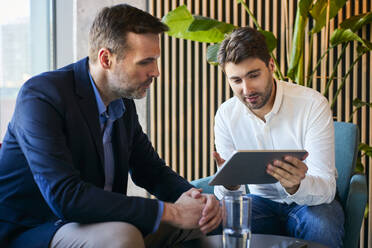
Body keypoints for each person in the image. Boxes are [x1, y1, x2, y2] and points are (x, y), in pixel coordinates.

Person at [0, 4, 221, 248]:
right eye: (145, 62)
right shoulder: (41, 96)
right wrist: (173, 212)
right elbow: (65, 196)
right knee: (122, 237)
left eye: (156, 60)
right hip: (35, 228)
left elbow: (151, 171)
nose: (156, 72)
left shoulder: (122, 103)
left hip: (98, 223)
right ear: (106, 59)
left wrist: (196, 200)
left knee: (206, 222)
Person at [213, 27, 344, 248]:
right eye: (236, 80)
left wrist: (296, 186)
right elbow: (226, 196)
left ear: (271, 66)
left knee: (322, 225)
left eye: (254, 75)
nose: (247, 89)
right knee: (217, 223)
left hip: (311, 203)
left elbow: (326, 188)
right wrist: (230, 184)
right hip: (259, 204)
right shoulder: (226, 115)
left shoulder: (312, 104)